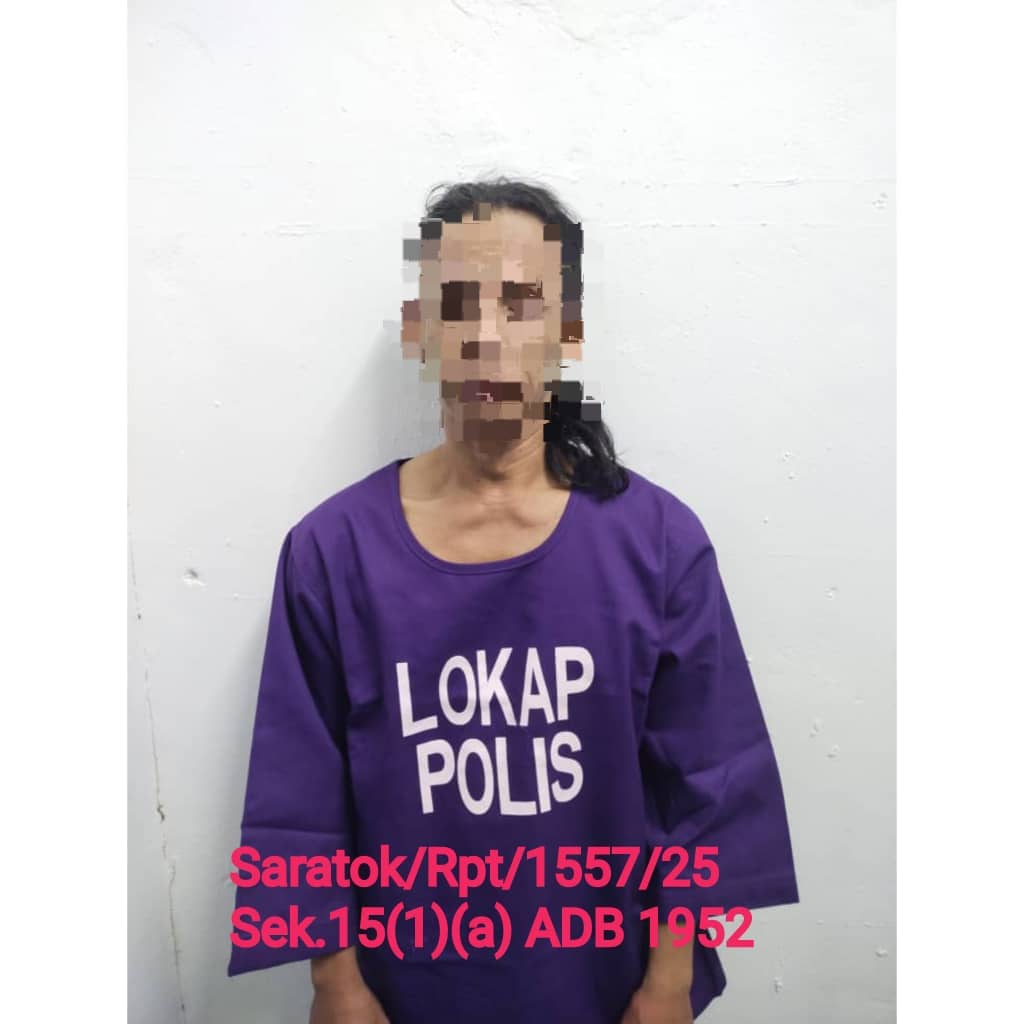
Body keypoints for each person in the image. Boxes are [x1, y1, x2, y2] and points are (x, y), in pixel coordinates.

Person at [227, 177, 799, 1023]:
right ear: (419, 330)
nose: (487, 336)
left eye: (521, 303)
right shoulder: (332, 552)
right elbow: (299, 797)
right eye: (457, 303)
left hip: (608, 987)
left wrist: (669, 979)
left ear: (568, 331)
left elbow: (708, 781)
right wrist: (334, 983)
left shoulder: (655, 543)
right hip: (404, 990)